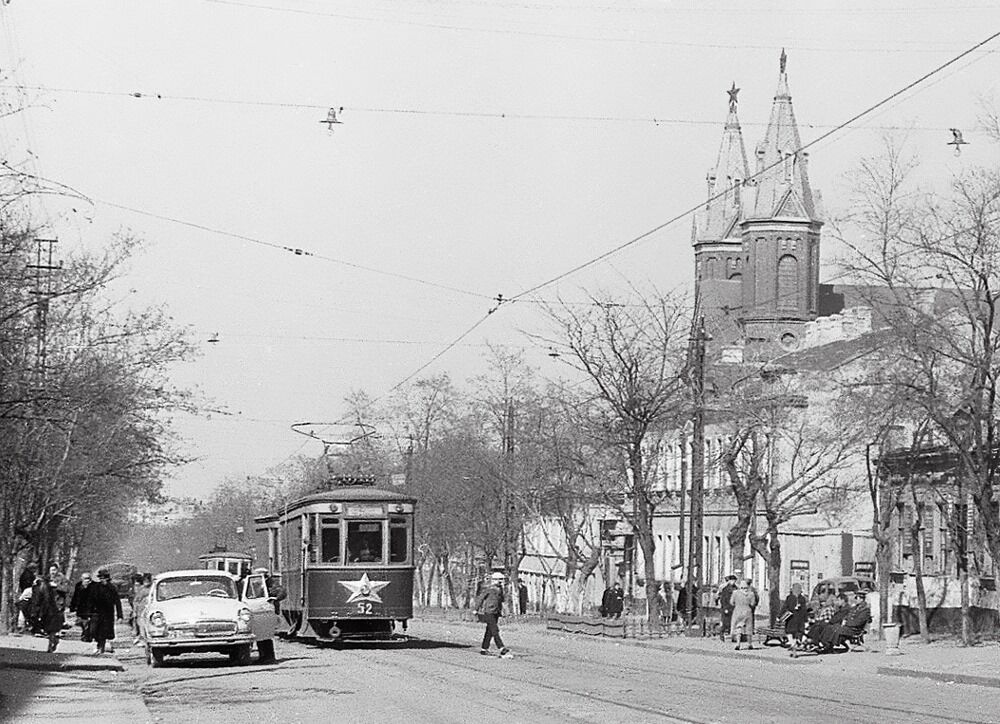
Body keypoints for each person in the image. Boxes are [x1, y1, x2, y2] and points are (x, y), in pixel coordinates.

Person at [804, 592, 871, 653]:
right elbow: (847, 617)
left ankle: (826, 645)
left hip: (854, 629)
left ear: (862, 599)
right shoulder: (855, 608)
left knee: (832, 628)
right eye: (856, 597)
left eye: (857, 598)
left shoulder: (865, 610)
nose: (855, 599)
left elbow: (858, 622)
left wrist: (846, 623)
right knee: (830, 627)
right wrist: (845, 621)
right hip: (848, 627)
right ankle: (825, 645)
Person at [474, 572, 510, 657]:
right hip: (489, 612)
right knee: (495, 630)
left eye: (501, 580)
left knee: (489, 631)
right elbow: (480, 598)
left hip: (496, 612)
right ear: (494, 580)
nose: (500, 581)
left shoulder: (500, 589)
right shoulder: (489, 589)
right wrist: (476, 609)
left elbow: (502, 601)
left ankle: (484, 648)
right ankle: (501, 647)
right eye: (499, 580)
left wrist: (505, 610)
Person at [27, 573, 65, 652]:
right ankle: (53, 641)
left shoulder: (45, 587)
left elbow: (38, 600)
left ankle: (51, 643)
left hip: (51, 610)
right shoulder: (40, 586)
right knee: (49, 629)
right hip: (48, 610)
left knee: (51, 628)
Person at [91, 568, 123, 654]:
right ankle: (98, 645)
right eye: (101, 578)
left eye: (104, 578)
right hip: (97, 613)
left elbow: (117, 602)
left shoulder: (112, 588)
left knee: (104, 632)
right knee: (95, 631)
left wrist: (120, 616)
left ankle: (102, 648)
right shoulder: (96, 587)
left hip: (108, 613)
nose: (103, 580)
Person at [69, 571, 97, 643]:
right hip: (81, 607)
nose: (87, 580)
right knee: (82, 622)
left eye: (88, 578)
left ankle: (87, 635)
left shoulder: (94, 586)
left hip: (91, 607)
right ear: (82, 579)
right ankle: (85, 633)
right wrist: (72, 606)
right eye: (85, 578)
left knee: (88, 622)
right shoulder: (78, 585)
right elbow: (75, 596)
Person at [731, 578, 758, 650]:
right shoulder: (751, 594)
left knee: (738, 627)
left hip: (738, 610)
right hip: (747, 611)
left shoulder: (735, 593)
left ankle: (738, 643)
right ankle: (749, 644)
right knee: (748, 628)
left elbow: (731, 602)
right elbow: (753, 604)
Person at [131, 573, 152, 644]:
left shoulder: (153, 588)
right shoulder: (142, 590)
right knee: (142, 625)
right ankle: (143, 639)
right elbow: (136, 601)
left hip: (150, 610)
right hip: (141, 611)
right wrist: (134, 611)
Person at [717, 575, 737, 642]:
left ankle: (733, 636)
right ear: (729, 581)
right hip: (727, 608)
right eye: (732, 580)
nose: (733, 582)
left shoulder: (736, 588)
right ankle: (722, 635)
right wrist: (725, 608)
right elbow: (723, 600)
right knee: (725, 623)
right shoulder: (725, 589)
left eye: (734, 581)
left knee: (734, 623)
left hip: (734, 608)